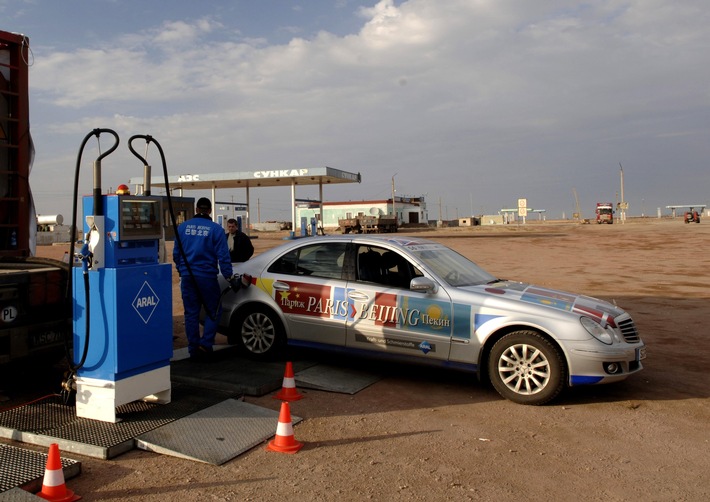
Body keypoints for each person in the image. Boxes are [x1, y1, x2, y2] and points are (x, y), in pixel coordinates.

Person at [173, 198, 244, 361]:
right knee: (214, 310)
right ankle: (205, 345)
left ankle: (193, 349)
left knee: (191, 314)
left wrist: (181, 270)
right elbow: (223, 256)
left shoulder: (182, 227)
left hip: (188, 277)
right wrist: (229, 276)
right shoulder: (216, 229)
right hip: (207, 277)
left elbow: (176, 254)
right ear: (210, 211)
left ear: (197, 209)